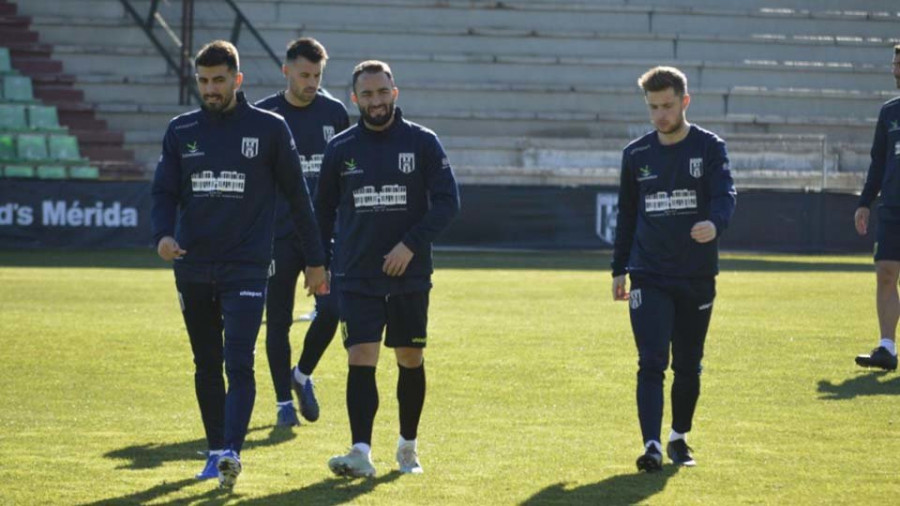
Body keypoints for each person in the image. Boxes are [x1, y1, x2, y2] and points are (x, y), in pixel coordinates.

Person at [151, 40, 327, 489]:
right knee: (206, 363)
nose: (211, 89)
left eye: (219, 80)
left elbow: (299, 199)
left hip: (248, 267)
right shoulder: (180, 129)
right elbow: (163, 192)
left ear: (238, 80)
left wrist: (315, 261)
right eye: (204, 81)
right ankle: (214, 452)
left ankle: (231, 451)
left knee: (239, 361)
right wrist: (163, 235)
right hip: (192, 266)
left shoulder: (270, 128)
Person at [316, 60, 460, 477]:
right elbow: (322, 210)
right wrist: (319, 263)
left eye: (382, 93)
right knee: (360, 357)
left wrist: (409, 245)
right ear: (354, 98)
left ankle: (407, 447)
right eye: (367, 94)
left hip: (409, 274)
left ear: (394, 94)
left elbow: (449, 202)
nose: (375, 101)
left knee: (409, 357)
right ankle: (360, 452)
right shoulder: (340, 148)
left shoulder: (423, 142)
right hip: (356, 273)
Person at [611, 66, 736, 472]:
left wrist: (714, 223)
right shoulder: (636, 155)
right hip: (648, 273)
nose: (660, 115)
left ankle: (678, 437)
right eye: (653, 107)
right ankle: (650, 446)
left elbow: (726, 194)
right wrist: (619, 270)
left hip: (696, 274)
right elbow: (627, 215)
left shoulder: (709, 148)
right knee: (651, 361)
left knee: (688, 363)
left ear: (684, 102)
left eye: (667, 106)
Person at [255, 37, 350, 427]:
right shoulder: (264, 116)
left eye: (317, 75)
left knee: (333, 309)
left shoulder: (334, 113)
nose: (311, 82)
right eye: (304, 74)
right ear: (287, 71)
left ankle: (302, 375)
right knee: (277, 321)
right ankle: (282, 404)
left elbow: (346, 174)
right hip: (277, 236)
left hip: (324, 236)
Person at [853, 44, 900, 373]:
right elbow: (878, 161)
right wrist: (864, 202)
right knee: (885, 271)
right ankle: (887, 347)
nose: (896, 70)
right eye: (895, 64)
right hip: (893, 206)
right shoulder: (889, 112)